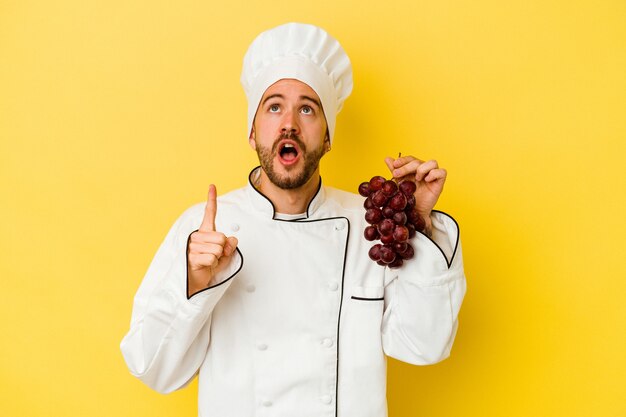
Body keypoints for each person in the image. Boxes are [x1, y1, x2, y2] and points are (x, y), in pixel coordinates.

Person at [120, 22, 466, 417]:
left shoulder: (371, 225)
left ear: (328, 136)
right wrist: (195, 283)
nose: (290, 123)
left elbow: (424, 345)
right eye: (273, 106)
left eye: (307, 107)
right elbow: (153, 370)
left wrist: (417, 224)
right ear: (253, 132)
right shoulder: (205, 231)